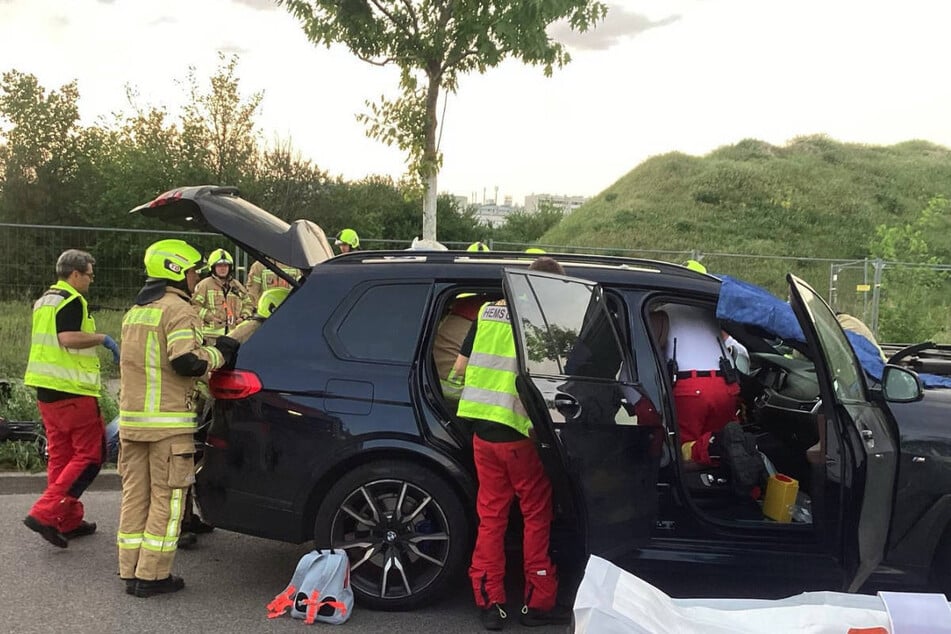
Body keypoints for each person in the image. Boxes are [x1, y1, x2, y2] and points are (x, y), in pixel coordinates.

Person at [452, 256, 572, 630]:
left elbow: (458, 369)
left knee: (492, 518)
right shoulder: (541, 322)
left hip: (482, 435)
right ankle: (538, 603)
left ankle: (490, 602)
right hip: (521, 436)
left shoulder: (487, 312)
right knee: (536, 517)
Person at [117, 239, 237, 598]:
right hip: (167, 425)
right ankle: (153, 577)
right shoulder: (179, 310)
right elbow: (186, 361)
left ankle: (131, 570)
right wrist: (220, 354)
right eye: (190, 270)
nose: (195, 276)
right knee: (167, 501)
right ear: (174, 271)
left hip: (132, 423)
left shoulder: (135, 312)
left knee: (134, 497)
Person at [22, 249, 119, 548]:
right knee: (89, 457)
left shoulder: (44, 300)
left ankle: (68, 519)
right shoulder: (71, 300)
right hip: (72, 391)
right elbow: (67, 338)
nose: (91, 279)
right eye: (89, 274)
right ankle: (46, 513)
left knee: (62, 457)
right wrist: (103, 339)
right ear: (75, 274)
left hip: (46, 391)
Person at [192, 248, 253, 344]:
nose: (223, 268)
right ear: (212, 267)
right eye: (219, 265)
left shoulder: (236, 285)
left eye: (225, 265)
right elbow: (194, 306)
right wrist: (209, 316)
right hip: (211, 338)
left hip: (233, 336)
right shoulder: (205, 285)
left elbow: (248, 303)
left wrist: (244, 316)